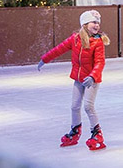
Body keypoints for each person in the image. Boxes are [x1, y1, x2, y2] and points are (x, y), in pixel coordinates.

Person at [38, 10, 110, 151]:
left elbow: (100, 62)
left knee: (88, 107)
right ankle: (75, 131)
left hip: (91, 80)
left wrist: (93, 76)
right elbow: (58, 49)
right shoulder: (75, 39)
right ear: (84, 24)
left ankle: (97, 134)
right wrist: (44, 59)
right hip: (78, 79)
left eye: (98, 23)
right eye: (94, 22)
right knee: (74, 106)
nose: (97, 25)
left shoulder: (98, 42)